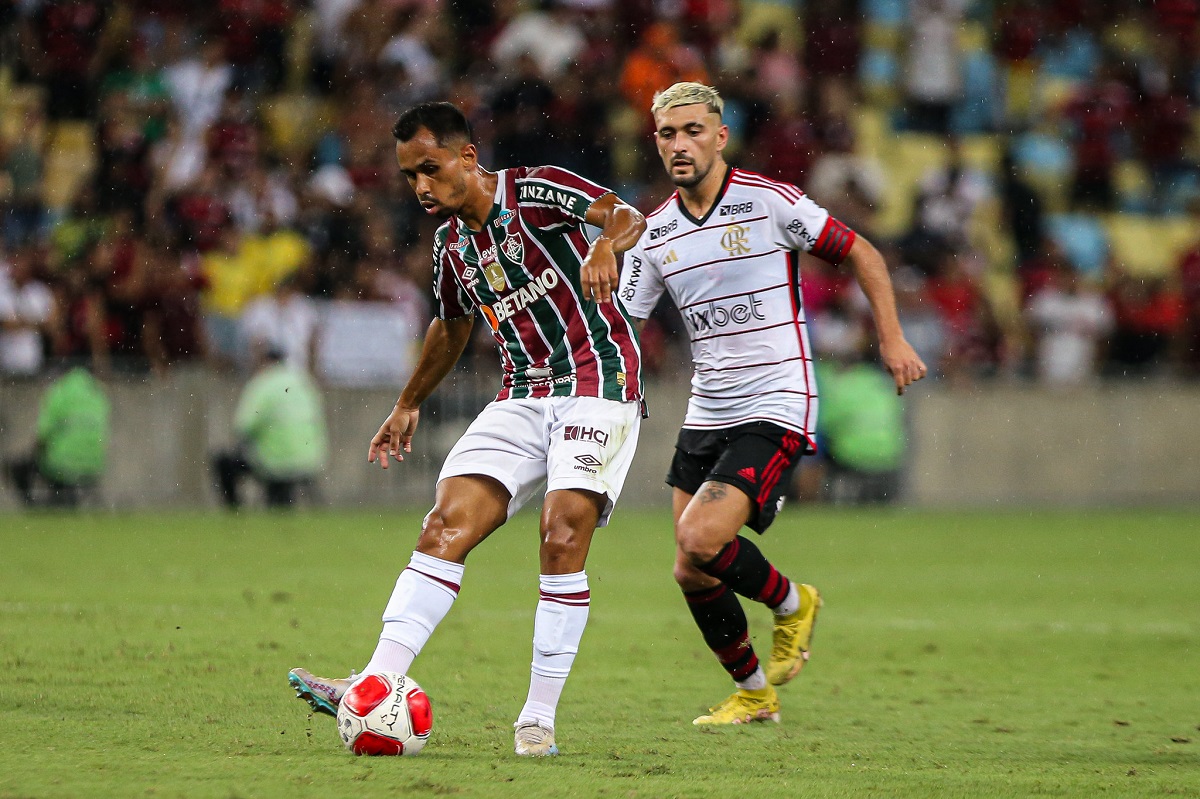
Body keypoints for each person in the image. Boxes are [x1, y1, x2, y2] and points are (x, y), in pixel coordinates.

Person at [288, 102, 647, 757]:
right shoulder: (450, 244)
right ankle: (374, 680)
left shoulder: (535, 189)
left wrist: (603, 243)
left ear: (467, 158)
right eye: (408, 176)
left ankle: (536, 718)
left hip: (598, 382)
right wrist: (409, 400)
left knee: (562, 532)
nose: (421, 186)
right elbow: (452, 326)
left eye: (430, 168)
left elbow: (628, 215)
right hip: (521, 394)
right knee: (441, 526)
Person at [617, 83, 926, 725]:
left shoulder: (769, 202)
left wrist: (891, 336)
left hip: (778, 398)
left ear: (720, 135)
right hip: (707, 409)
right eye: (668, 134)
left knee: (699, 536)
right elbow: (621, 326)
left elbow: (861, 251)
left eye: (693, 131)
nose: (680, 145)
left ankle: (793, 604)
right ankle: (755, 693)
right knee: (690, 568)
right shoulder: (653, 234)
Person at [211, 348, 328, 509]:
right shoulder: (304, 382)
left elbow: (244, 426)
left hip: (274, 460)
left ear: (264, 361)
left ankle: (235, 511)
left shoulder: (262, 383)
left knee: (222, 461)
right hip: (310, 460)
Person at [4, 366, 110, 507]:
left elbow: (43, 434)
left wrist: (35, 453)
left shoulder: (59, 391)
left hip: (61, 463)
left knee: (19, 466)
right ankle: (63, 499)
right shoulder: (98, 394)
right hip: (94, 465)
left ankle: (32, 506)